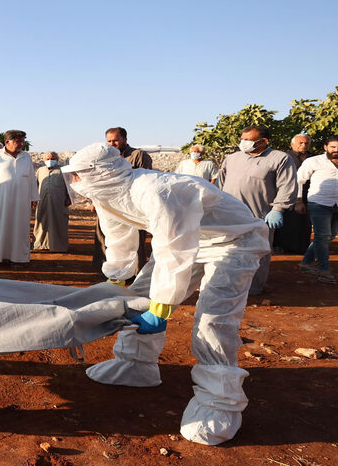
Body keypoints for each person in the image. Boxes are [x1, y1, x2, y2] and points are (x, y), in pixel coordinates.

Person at [65, 143, 270, 446]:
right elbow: (119, 235)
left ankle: (221, 403)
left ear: (102, 173)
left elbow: (173, 249)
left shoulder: (155, 190)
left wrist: (161, 308)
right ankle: (136, 364)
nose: (76, 183)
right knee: (139, 297)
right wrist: (118, 279)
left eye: (81, 175)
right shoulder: (108, 193)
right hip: (191, 240)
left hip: (234, 241)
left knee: (213, 318)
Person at [219, 125, 297, 295]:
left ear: (264, 141)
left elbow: (287, 186)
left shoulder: (280, 158)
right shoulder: (232, 158)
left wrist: (278, 209)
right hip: (229, 215)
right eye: (242, 139)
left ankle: (253, 288)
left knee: (257, 253)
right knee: (228, 250)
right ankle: (227, 285)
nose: (244, 143)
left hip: (259, 215)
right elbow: (221, 183)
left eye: (249, 140)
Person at [295, 135, 338, 284]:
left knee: (327, 237)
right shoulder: (313, 161)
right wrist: (299, 201)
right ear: (325, 147)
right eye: (333, 147)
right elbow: (298, 180)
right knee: (322, 236)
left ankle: (306, 262)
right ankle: (324, 270)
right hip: (319, 204)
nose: (337, 150)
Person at [93, 127, 153, 274]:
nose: (112, 144)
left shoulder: (138, 155)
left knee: (134, 239)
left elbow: (144, 179)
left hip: (130, 205)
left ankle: (135, 272)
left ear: (125, 139)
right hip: (107, 204)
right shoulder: (104, 157)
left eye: (115, 140)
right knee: (104, 236)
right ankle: (108, 270)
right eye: (109, 141)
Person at [0, 130, 38, 266]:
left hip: (22, 201)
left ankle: (19, 259)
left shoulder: (26, 157)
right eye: (18, 141)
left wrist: (34, 197)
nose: (21, 144)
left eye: (23, 141)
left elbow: (31, 179)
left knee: (20, 228)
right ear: (7, 142)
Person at [273, 134, 313, 254]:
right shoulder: (284, 157)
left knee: (305, 223)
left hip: (308, 194)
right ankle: (283, 247)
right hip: (287, 193)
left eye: (306, 143)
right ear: (292, 144)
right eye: (300, 143)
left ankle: (301, 248)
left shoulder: (313, 158)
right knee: (287, 222)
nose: (303, 145)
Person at [33, 151, 71, 252]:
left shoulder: (63, 171)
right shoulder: (40, 170)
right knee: (42, 222)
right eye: (48, 159)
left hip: (59, 202)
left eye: (53, 159)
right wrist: (33, 199)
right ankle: (41, 245)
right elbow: (35, 185)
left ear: (57, 160)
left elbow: (70, 186)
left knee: (59, 223)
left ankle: (59, 246)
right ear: (44, 160)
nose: (50, 161)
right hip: (42, 201)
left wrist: (69, 198)